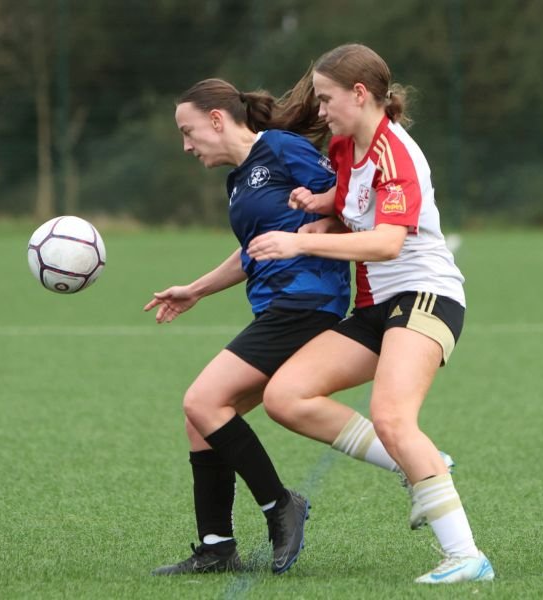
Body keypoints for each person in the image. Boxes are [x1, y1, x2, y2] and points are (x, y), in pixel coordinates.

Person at [246, 44, 495, 584]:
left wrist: (301, 246)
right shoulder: (345, 146)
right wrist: (321, 208)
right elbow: (352, 195)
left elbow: (385, 243)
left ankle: (466, 556)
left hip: (426, 297)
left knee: (392, 415)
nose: (320, 108)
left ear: (360, 95)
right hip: (376, 307)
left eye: (327, 97)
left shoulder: (395, 152)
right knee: (285, 397)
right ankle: (419, 462)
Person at [146, 77, 409, 576]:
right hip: (276, 307)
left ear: (218, 120)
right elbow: (253, 251)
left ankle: (280, 505)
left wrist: (321, 228)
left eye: (189, 130)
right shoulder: (238, 181)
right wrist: (197, 289)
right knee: (202, 416)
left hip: (308, 301)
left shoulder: (282, 148)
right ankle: (216, 546)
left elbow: (345, 202)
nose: (186, 145)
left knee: (202, 400)